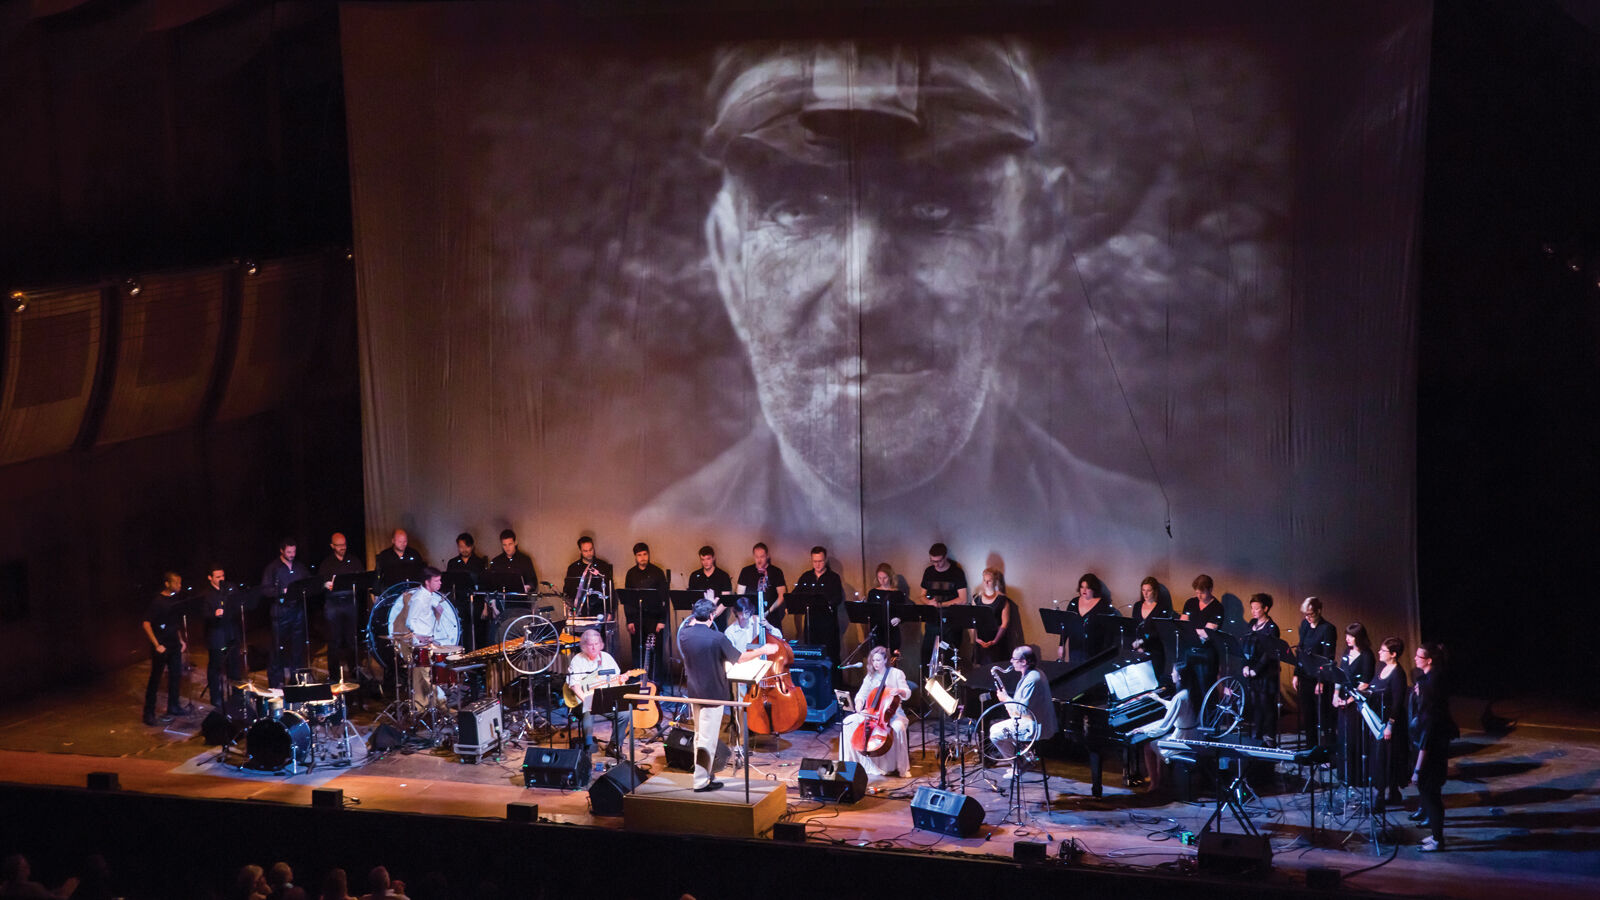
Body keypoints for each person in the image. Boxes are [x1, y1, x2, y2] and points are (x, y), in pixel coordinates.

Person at [631, 39, 1167, 566]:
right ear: (729, 259)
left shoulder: (1150, 543)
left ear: (1036, 242)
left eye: (932, 208)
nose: (864, 294)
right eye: (796, 210)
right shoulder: (661, 543)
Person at [678, 597, 777, 791]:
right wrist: (763, 650)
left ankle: (707, 774)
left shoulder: (684, 634)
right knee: (707, 739)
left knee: (700, 736)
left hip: (694, 693)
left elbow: (692, 625)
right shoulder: (717, 638)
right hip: (712, 694)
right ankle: (700, 781)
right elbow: (740, 658)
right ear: (712, 616)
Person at [1409, 642, 1456, 851]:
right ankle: (1435, 836)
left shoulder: (1431, 689)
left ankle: (1438, 840)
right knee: (1429, 794)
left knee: (1431, 794)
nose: (1415, 659)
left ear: (1429, 660)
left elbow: (1427, 737)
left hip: (1432, 751)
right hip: (1433, 745)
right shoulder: (1430, 680)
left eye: (1419, 656)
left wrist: (1417, 769)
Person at [839, 645, 912, 777]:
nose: (875, 663)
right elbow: (861, 695)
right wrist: (859, 705)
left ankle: (902, 768)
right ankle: (851, 762)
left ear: (885, 660)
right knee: (847, 722)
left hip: (893, 714)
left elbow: (907, 693)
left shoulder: (896, 674)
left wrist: (900, 691)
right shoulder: (870, 676)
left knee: (898, 728)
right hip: (871, 713)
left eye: (878, 660)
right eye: (873, 660)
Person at [989, 645, 1058, 781]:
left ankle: (1018, 765)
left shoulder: (1032, 679)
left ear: (1024, 662)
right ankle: (1024, 759)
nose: (1011, 661)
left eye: (1014, 659)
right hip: (1032, 720)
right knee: (1000, 728)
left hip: (1035, 726)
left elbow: (1023, 709)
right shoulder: (1032, 674)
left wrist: (1005, 699)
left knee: (994, 733)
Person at [400, 567, 457, 708]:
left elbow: (433, 606)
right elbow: (410, 621)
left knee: (422, 679)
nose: (440, 583)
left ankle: (424, 708)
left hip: (427, 641)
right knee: (427, 677)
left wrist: (437, 606)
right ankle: (441, 706)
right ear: (427, 582)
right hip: (420, 643)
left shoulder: (428, 595)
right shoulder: (419, 599)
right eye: (436, 581)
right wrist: (421, 636)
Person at [260, 538, 313, 688]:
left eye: (294, 551)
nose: (292, 554)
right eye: (289, 552)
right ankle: (276, 681)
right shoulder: (273, 568)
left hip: (297, 611)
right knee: (277, 648)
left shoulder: (299, 566)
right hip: (280, 612)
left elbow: (309, 582)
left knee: (297, 647)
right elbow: (265, 589)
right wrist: (281, 591)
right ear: (282, 551)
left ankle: (297, 679)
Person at [140, 571, 190, 726]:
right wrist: (156, 644)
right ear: (167, 584)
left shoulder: (175, 600)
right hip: (161, 645)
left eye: (180, 583)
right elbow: (146, 623)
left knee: (175, 676)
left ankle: (173, 706)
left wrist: (181, 640)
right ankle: (148, 713)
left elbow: (174, 623)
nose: (178, 586)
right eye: (175, 583)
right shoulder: (158, 601)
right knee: (155, 679)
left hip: (174, 644)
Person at [1367, 636, 1410, 816]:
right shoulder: (1381, 668)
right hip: (1378, 721)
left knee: (1386, 759)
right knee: (1380, 758)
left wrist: (1390, 725)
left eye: (1383, 650)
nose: (1379, 652)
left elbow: (1398, 702)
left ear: (1393, 654)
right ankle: (1392, 793)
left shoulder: (1398, 674)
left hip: (1391, 724)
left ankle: (1383, 796)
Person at [1331, 622, 1375, 787]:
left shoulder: (1367, 655)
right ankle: (1344, 775)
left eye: (1351, 636)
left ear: (1359, 638)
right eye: (1347, 635)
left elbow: (1364, 683)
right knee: (1343, 737)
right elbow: (1340, 675)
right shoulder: (1346, 652)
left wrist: (1349, 700)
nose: (1347, 639)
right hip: (1343, 698)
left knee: (1354, 738)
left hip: (1356, 702)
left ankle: (1357, 778)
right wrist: (1336, 695)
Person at [566, 628, 625, 752]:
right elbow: (574, 685)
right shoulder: (578, 659)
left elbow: (616, 680)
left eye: (596, 644)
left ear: (601, 644)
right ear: (584, 646)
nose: (594, 647)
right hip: (582, 700)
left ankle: (614, 746)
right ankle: (588, 747)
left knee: (624, 714)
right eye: (590, 644)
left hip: (603, 699)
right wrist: (587, 700)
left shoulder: (607, 658)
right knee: (588, 711)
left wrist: (621, 679)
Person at [319, 532, 366, 684]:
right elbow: (320, 583)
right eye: (339, 546)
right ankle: (334, 676)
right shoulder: (327, 563)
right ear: (332, 546)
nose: (342, 548)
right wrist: (326, 585)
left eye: (344, 545)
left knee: (352, 640)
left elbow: (362, 578)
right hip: (333, 604)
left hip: (350, 603)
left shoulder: (353, 560)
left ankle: (354, 672)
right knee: (334, 641)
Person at [1292, 596, 1338, 749]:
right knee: (1308, 714)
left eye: (1311, 614)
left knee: (1323, 716)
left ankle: (1326, 751)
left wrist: (1322, 680)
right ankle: (1310, 748)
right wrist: (1296, 673)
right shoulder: (1305, 624)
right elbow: (1301, 649)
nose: (1308, 618)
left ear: (1319, 611)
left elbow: (1327, 656)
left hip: (1319, 677)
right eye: (1306, 614)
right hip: (1305, 675)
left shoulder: (1328, 629)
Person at [793, 545, 844, 679]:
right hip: (811, 624)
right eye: (814, 561)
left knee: (831, 655)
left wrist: (827, 603)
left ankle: (834, 689)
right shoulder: (806, 577)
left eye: (820, 561)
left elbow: (838, 598)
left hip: (828, 625)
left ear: (825, 560)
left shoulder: (833, 578)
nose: (817, 564)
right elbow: (795, 596)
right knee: (811, 654)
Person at [622, 542, 669, 684]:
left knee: (656, 650)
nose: (643, 558)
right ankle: (638, 680)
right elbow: (628, 599)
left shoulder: (657, 572)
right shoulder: (631, 574)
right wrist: (629, 620)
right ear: (635, 557)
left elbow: (664, 598)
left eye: (645, 554)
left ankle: (656, 681)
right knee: (637, 649)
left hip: (654, 617)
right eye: (639, 555)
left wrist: (662, 620)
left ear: (648, 555)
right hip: (637, 617)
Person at [201, 566, 246, 711]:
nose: (221, 579)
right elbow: (203, 615)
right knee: (215, 667)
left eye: (222, 576)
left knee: (234, 665)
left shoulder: (230, 588)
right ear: (210, 578)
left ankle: (237, 695)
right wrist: (214, 614)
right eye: (217, 577)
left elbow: (239, 602)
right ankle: (216, 698)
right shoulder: (206, 594)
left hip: (231, 632)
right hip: (216, 635)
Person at [1240, 593, 1282, 743]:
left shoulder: (1272, 628)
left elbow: (1269, 653)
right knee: (1255, 704)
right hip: (1252, 671)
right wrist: (1245, 665)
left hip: (1266, 673)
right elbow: (1244, 646)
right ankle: (1256, 735)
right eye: (1252, 608)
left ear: (1265, 608)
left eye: (1257, 608)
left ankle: (1269, 736)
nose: (1253, 611)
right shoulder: (1251, 623)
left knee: (1267, 705)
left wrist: (1256, 669)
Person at [919, 543, 968, 674]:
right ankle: (927, 687)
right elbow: (921, 596)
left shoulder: (956, 572)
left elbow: (963, 599)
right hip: (932, 621)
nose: (936, 564)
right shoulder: (928, 572)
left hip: (952, 622)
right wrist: (929, 602)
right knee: (927, 654)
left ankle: (950, 688)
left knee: (948, 657)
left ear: (945, 557)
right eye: (933, 561)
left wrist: (941, 605)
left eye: (939, 561)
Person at [1059, 572, 1121, 662]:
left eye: (1087, 588)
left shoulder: (1103, 605)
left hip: (1095, 651)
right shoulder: (1074, 602)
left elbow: (1108, 633)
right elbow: (1066, 625)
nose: (1084, 590)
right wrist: (1061, 645)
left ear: (1094, 589)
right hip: (1075, 648)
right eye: (1082, 587)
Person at [1129, 576, 1175, 683]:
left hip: (1155, 651)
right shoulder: (1137, 606)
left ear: (1154, 591)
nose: (1145, 594)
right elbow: (1134, 626)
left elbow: (1160, 632)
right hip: (1139, 651)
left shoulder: (1162, 608)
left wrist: (1143, 641)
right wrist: (1137, 644)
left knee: (1155, 681)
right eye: (1143, 590)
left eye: (1148, 590)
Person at [734, 542, 786, 629]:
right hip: (750, 616)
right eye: (757, 557)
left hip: (771, 616)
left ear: (767, 556)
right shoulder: (746, 571)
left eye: (762, 557)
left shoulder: (776, 572)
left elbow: (782, 595)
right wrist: (746, 612)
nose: (759, 560)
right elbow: (740, 594)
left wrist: (768, 611)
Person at [970, 567, 1016, 668]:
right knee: (980, 671)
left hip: (997, 642)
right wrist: (976, 638)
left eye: (989, 581)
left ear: (995, 582)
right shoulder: (977, 599)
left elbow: (1005, 623)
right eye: (984, 580)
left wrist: (995, 641)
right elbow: (972, 621)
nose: (986, 583)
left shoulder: (1002, 600)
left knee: (996, 668)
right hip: (980, 640)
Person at [687, 544, 733, 621]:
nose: (706, 562)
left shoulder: (723, 576)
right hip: (699, 618)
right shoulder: (694, 576)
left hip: (718, 618)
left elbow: (726, 600)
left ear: (713, 558)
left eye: (708, 559)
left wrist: (713, 615)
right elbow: (692, 598)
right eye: (702, 559)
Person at [0, 853, 77, 899]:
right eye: (25, 867)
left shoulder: (4, 887)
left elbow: (43, 895)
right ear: (18, 872)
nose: (29, 867)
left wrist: (55, 892)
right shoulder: (32, 888)